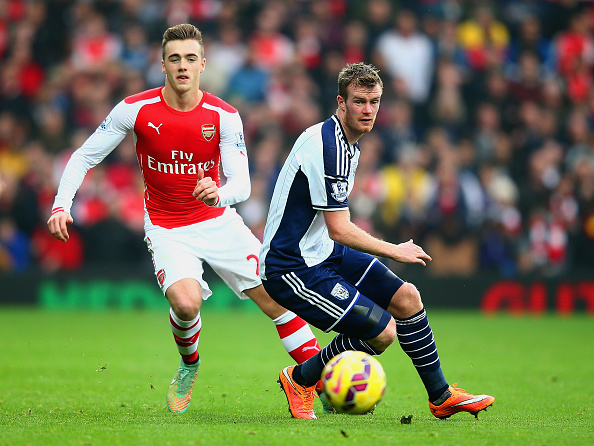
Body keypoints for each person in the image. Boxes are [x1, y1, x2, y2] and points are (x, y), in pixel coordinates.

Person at [47, 23, 322, 414]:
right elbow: (84, 155)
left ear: (202, 64)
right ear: (162, 64)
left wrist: (219, 193)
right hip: (166, 226)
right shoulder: (135, 109)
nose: (182, 66)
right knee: (187, 304)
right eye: (174, 58)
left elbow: (242, 184)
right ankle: (190, 364)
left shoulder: (224, 115)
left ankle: (315, 381)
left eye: (190, 58)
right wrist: (62, 204)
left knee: (276, 298)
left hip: (217, 221)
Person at [259, 62, 495, 420]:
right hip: (290, 266)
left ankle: (441, 396)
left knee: (407, 298)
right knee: (382, 333)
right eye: (359, 101)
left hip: (322, 251)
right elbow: (339, 227)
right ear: (341, 102)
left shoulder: (349, 144)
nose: (368, 110)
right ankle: (301, 378)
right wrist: (394, 250)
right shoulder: (328, 146)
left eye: (374, 101)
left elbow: (332, 230)